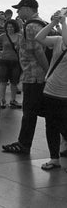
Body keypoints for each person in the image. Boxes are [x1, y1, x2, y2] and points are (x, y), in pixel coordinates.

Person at [2, 0, 49, 154]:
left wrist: (48, 71)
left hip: (33, 75)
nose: (17, 12)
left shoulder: (30, 26)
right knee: (47, 110)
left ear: (28, 9)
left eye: (19, 8)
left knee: (29, 112)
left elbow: (38, 51)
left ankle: (23, 144)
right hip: (38, 75)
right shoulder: (42, 24)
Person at [35, 11, 67, 171]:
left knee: (64, 126)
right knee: (51, 126)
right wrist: (54, 22)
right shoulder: (58, 40)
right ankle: (54, 158)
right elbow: (39, 38)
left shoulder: (64, 39)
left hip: (65, 94)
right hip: (51, 90)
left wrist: (63, 22)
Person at [0, 19, 23, 108]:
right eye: (8, 27)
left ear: (15, 27)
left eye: (11, 27)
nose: (10, 28)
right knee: (3, 81)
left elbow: (24, 48)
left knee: (14, 82)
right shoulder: (3, 36)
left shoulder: (20, 36)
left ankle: (13, 100)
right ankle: (2, 100)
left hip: (15, 61)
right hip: (4, 61)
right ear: (6, 28)